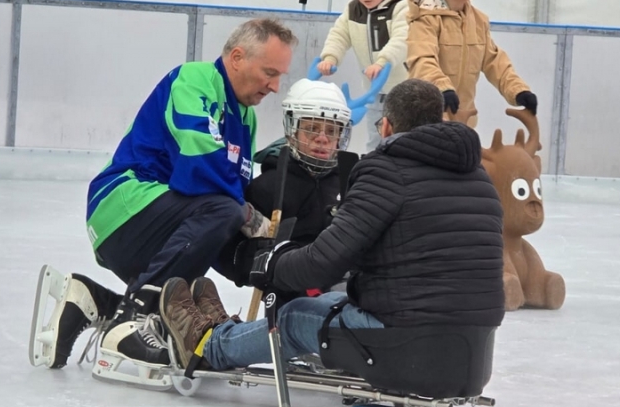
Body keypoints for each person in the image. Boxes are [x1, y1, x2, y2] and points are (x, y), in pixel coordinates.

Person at [156, 78, 506, 374]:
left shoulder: (384, 171)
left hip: (405, 347)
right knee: (332, 301)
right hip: (471, 355)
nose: (323, 139)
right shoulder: (480, 179)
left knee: (293, 317)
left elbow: (323, 261)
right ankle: (232, 333)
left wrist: (269, 263)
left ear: (385, 126)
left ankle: (209, 345)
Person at [33, 18, 297, 379]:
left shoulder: (245, 118)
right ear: (237, 57)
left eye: (280, 75)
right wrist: (249, 217)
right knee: (223, 210)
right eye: (270, 72)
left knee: (214, 238)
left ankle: (94, 300)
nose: (275, 86)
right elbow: (201, 166)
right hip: (122, 206)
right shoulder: (194, 80)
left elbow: (231, 202)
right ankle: (129, 321)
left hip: (163, 223)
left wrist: (264, 261)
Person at [216, 78, 351, 297]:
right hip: (293, 299)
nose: (322, 139)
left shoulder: (349, 183)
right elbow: (230, 256)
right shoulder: (269, 186)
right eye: (312, 129)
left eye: (332, 131)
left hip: (346, 292)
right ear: (292, 131)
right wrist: (265, 260)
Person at [406, 0, 538, 128]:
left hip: (463, 117)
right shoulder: (425, 19)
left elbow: (494, 61)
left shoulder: (477, 20)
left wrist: (518, 91)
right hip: (428, 116)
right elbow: (422, 60)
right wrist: (442, 88)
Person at [316, 0, 410, 152]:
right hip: (373, 90)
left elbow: (402, 39)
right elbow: (339, 34)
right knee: (375, 138)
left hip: (403, 87)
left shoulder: (401, 7)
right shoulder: (353, 9)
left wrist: (383, 62)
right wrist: (330, 57)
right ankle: (374, 171)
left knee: (404, 136)